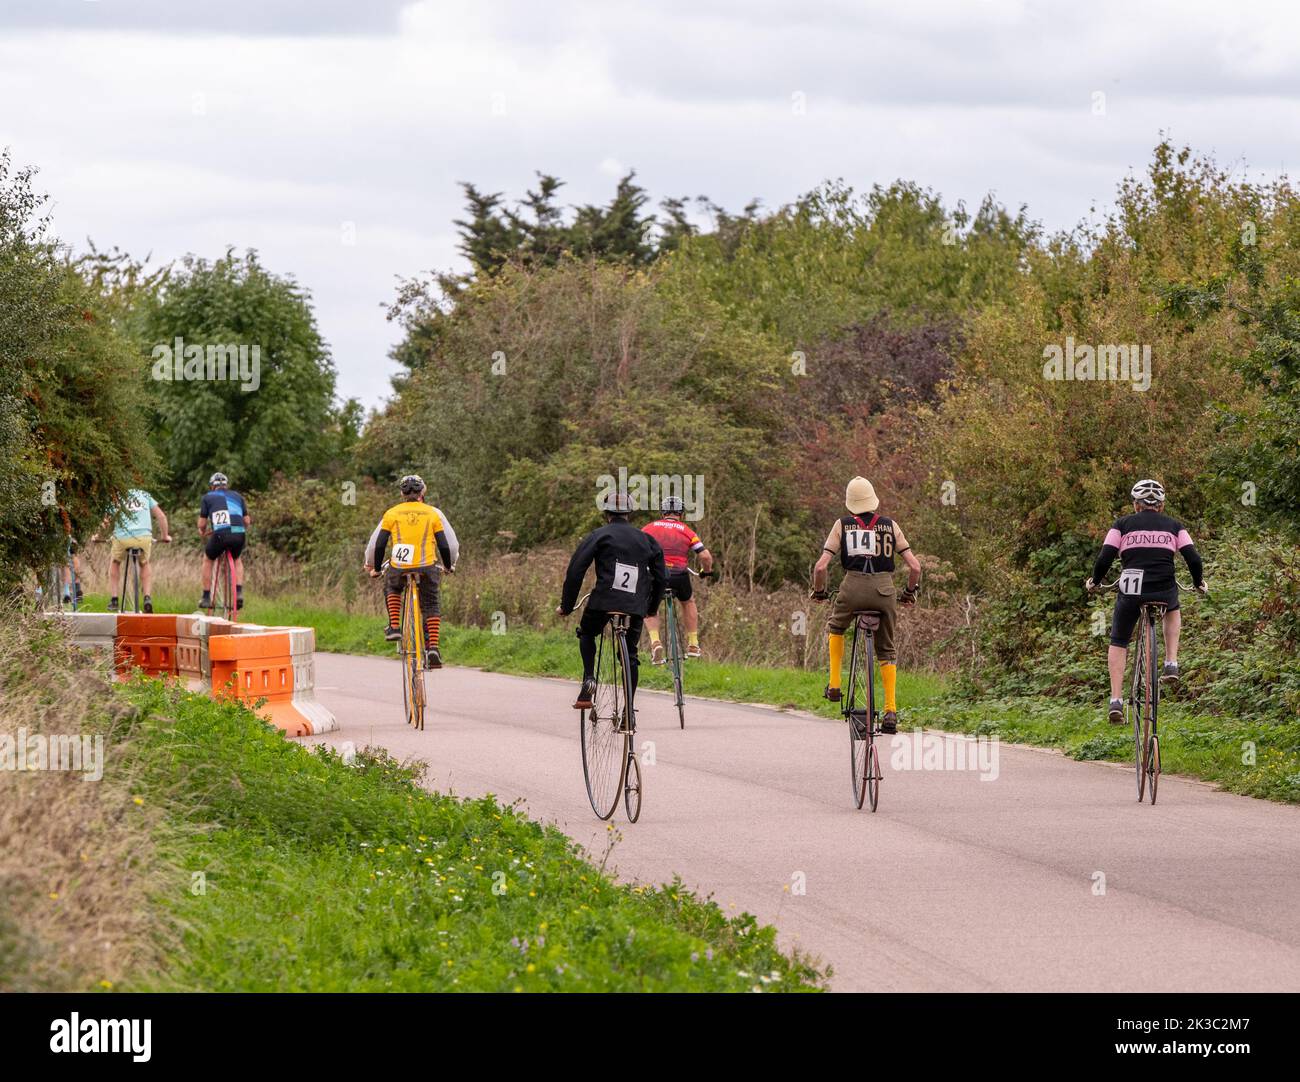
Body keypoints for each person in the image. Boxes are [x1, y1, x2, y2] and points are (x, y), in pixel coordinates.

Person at [1086, 479, 1208, 724]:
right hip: (1163, 588)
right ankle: (1171, 662)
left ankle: (1116, 700)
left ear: (1136, 505)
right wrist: (1197, 582)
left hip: (1131, 588)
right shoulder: (1175, 526)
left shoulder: (1121, 525)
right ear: (1161, 506)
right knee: (1173, 608)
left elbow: (1104, 558)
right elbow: (1194, 559)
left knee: (1119, 639)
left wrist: (1095, 581)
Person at [810, 476, 922, 735]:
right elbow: (915, 567)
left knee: (836, 627)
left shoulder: (842, 525)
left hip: (852, 589)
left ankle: (835, 684)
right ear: (873, 500)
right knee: (887, 649)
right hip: (884, 591)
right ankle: (891, 710)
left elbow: (821, 566)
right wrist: (908, 593)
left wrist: (819, 592)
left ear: (849, 504)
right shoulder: (891, 525)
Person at [557, 493, 668, 720]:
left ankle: (589, 679)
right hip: (634, 606)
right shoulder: (647, 540)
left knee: (587, 633)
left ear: (606, 514)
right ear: (629, 513)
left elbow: (576, 570)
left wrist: (567, 606)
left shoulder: (599, 535)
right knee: (630, 654)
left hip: (603, 602)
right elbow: (662, 578)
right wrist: (652, 607)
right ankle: (629, 710)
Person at [369, 474, 455, 668]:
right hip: (427, 566)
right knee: (431, 602)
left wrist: (375, 568)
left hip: (400, 567)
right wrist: (448, 566)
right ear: (422, 492)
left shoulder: (392, 513)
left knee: (392, 586)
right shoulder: (432, 513)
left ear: (402, 493)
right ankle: (432, 647)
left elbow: (380, 543)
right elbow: (443, 544)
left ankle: (394, 627)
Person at [642, 496, 714, 662]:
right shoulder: (686, 530)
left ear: (663, 513)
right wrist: (706, 571)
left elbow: (636, 547)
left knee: (649, 608)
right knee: (688, 601)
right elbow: (705, 556)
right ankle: (693, 644)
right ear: (681, 513)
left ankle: (655, 642)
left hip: (656, 575)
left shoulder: (649, 528)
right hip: (679, 576)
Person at [100, 488, 171, 612]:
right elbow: (161, 516)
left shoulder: (117, 496)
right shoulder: (145, 495)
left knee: (115, 562)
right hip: (143, 538)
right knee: (144, 563)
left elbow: (106, 521)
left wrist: (98, 536)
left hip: (122, 538)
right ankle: (147, 598)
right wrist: (165, 536)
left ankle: (114, 599)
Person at [198, 472, 251, 611]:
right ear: (226, 485)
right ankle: (239, 592)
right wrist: (239, 528)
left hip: (221, 534)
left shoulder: (207, 497)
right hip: (239, 534)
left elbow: (202, 523)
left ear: (212, 487)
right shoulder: (238, 496)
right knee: (237, 559)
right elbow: (247, 521)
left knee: (208, 559)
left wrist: (202, 532)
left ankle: (206, 596)